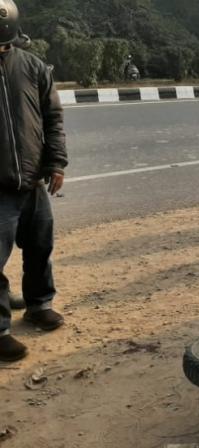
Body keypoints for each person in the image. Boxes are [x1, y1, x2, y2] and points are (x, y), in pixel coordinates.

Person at [0, 0, 68, 363]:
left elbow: (52, 118)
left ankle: (39, 306)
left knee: (40, 246)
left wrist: (56, 163)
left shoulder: (33, 66)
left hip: (33, 179)